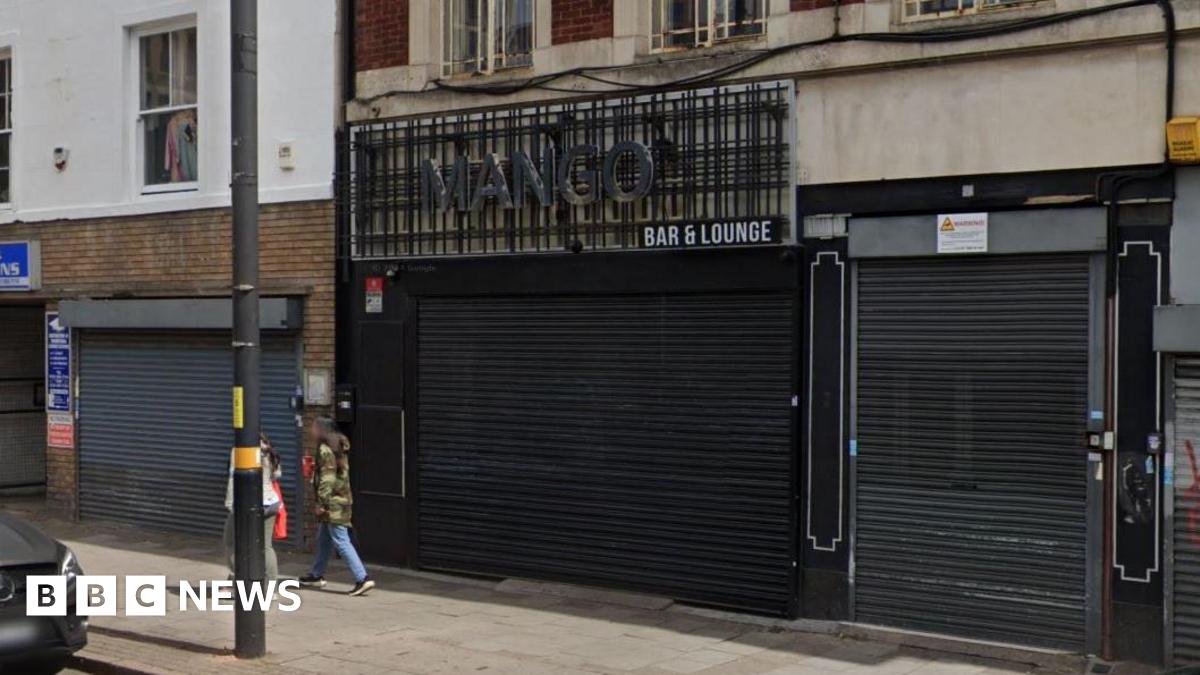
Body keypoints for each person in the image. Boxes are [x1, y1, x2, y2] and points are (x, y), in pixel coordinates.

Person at [299, 417, 374, 596]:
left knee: (341, 539)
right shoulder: (337, 446)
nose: (311, 431)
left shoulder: (326, 450)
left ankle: (362, 578)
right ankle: (316, 575)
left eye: (314, 428)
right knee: (324, 538)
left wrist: (321, 503)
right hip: (342, 500)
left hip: (333, 503)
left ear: (321, 430)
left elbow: (328, 479)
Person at [223, 433, 282, 581]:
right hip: (271, 502)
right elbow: (277, 475)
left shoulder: (239, 450)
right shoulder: (268, 451)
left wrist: (231, 504)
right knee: (266, 546)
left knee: (230, 541)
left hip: (247, 503)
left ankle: (239, 577)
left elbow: (233, 478)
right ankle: (271, 588)